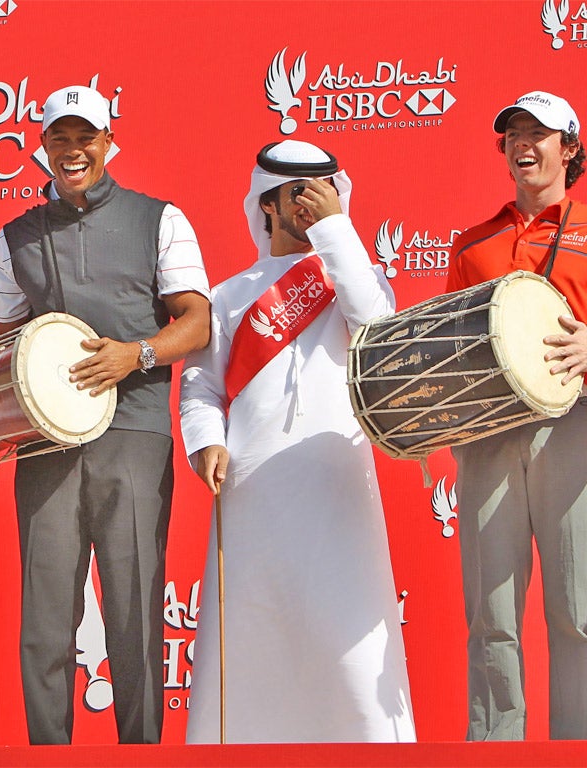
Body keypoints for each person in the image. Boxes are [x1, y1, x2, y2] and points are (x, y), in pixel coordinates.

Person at [0, 85, 211, 744]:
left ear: (109, 143)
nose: (72, 151)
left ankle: (142, 756)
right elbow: (7, 342)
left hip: (135, 435)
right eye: (59, 139)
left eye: (85, 138)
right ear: (43, 149)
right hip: (45, 445)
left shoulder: (160, 219)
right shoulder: (15, 237)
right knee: (45, 627)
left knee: (135, 616)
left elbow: (197, 322)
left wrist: (136, 355)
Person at [179, 140, 416, 743]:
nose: (309, 202)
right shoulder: (230, 295)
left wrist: (336, 229)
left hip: (337, 484)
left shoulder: (355, 278)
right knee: (254, 638)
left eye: (322, 190)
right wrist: (206, 441)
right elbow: (201, 388)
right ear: (267, 203)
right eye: (297, 193)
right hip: (253, 489)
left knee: (350, 646)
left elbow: (374, 325)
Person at [446, 91, 587, 740]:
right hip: (487, 435)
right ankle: (493, 749)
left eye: (540, 133)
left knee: (577, 611)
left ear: (570, 148)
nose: (523, 143)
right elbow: (444, 343)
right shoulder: (473, 242)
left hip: (573, 428)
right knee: (491, 615)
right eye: (513, 134)